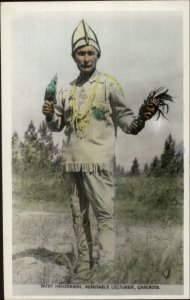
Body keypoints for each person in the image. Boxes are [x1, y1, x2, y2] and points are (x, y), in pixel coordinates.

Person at [42, 20, 157, 276]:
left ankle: (107, 269)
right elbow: (56, 126)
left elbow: (127, 120)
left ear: (98, 54)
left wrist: (140, 119)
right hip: (72, 164)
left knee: (104, 216)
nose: (86, 58)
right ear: (74, 56)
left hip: (99, 163)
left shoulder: (109, 85)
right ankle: (83, 267)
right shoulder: (65, 91)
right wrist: (49, 115)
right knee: (78, 217)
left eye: (90, 53)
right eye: (80, 53)